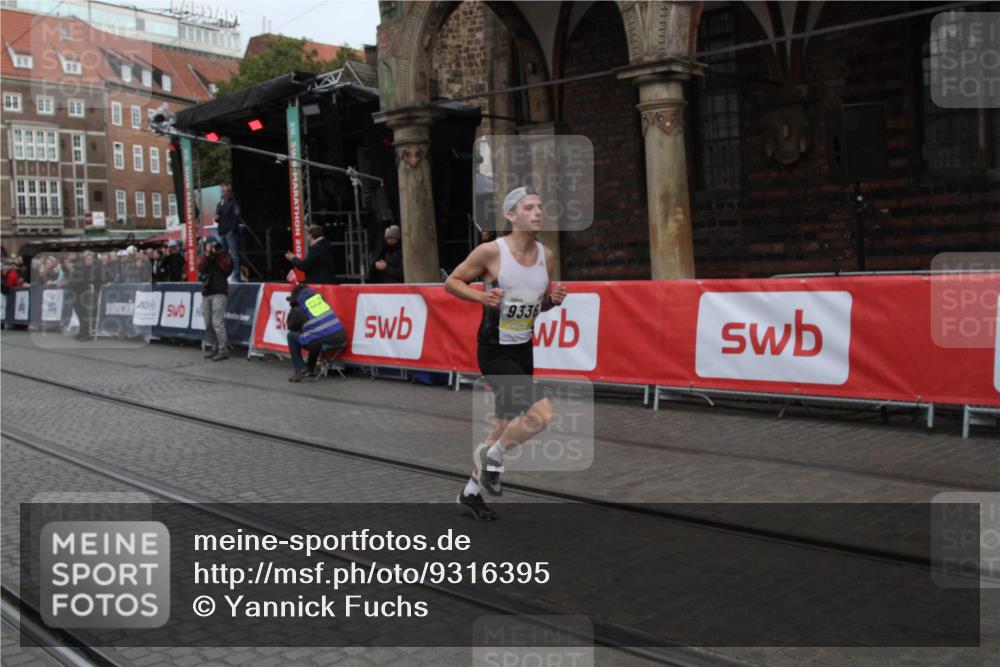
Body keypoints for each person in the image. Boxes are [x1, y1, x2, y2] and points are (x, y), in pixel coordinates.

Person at [444, 186, 568, 521]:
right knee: (542, 416)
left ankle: (470, 492)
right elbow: (452, 282)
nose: (538, 212)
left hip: (523, 349)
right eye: (529, 207)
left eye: (540, 207)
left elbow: (537, 306)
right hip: (494, 351)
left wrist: (551, 301)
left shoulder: (548, 255)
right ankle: (492, 459)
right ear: (511, 215)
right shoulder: (490, 252)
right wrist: (481, 298)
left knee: (501, 424)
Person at [285, 283, 346, 382]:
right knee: (314, 337)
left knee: (291, 336)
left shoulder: (299, 308)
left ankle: (300, 368)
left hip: (322, 340)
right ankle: (309, 368)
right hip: (341, 337)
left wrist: (292, 309)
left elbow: (291, 326)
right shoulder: (320, 300)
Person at [197, 237, 232, 361]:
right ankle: (214, 347)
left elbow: (227, 269)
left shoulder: (223, 255)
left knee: (217, 322)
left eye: (212, 245)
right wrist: (206, 255)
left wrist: (215, 254)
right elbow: (200, 267)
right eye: (208, 245)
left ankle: (223, 350)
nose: (210, 247)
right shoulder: (204, 257)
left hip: (219, 292)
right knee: (208, 323)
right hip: (207, 292)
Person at [215, 183, 242, 282]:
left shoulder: (234, 203)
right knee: (223, 256)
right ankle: (225, 275)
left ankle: (236, 276)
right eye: (223, 191)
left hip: (230, 232)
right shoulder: (220, 203)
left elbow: (237, 216)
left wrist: (232, 229)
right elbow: (217, 217)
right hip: (222, 232)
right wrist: (216, 217)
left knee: (234, 255)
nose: (224, 193)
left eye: (226, 191)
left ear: (229, 192)